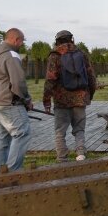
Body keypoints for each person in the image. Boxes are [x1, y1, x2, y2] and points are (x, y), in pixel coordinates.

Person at [43, 30, 97, 162]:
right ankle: (80, 154)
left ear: (57, 41)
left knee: (60, 130)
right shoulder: (82, 54)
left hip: (62, 100)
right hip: (80, 98)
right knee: (79, 129)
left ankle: (62, 157)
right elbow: (91, 77)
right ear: (72, 39)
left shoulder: (55, 55)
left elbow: (50, 79)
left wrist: (46, 99)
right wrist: (89, 94)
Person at [0, 27, 33, 173]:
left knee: (1, 139)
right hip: (10, 103)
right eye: (21, 41)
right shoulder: (11, 54)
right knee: (22, 132)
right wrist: (27, 100)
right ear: (15, 39)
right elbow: (18, 82)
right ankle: (12, 172)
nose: (21, 44)